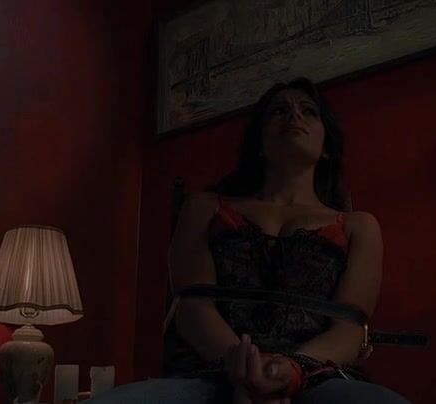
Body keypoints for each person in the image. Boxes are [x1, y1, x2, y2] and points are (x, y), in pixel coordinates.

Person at [85, 78, 411, 403]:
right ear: (259, 141)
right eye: (279, 110)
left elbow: (349, 328)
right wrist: (243, 368)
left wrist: (289, 371)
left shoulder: (359, 226)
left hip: (317, 375)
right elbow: (193, 308)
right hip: (212, 371)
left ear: (326, 147)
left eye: (308, 111)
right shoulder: (204, 208)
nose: (294, 115)